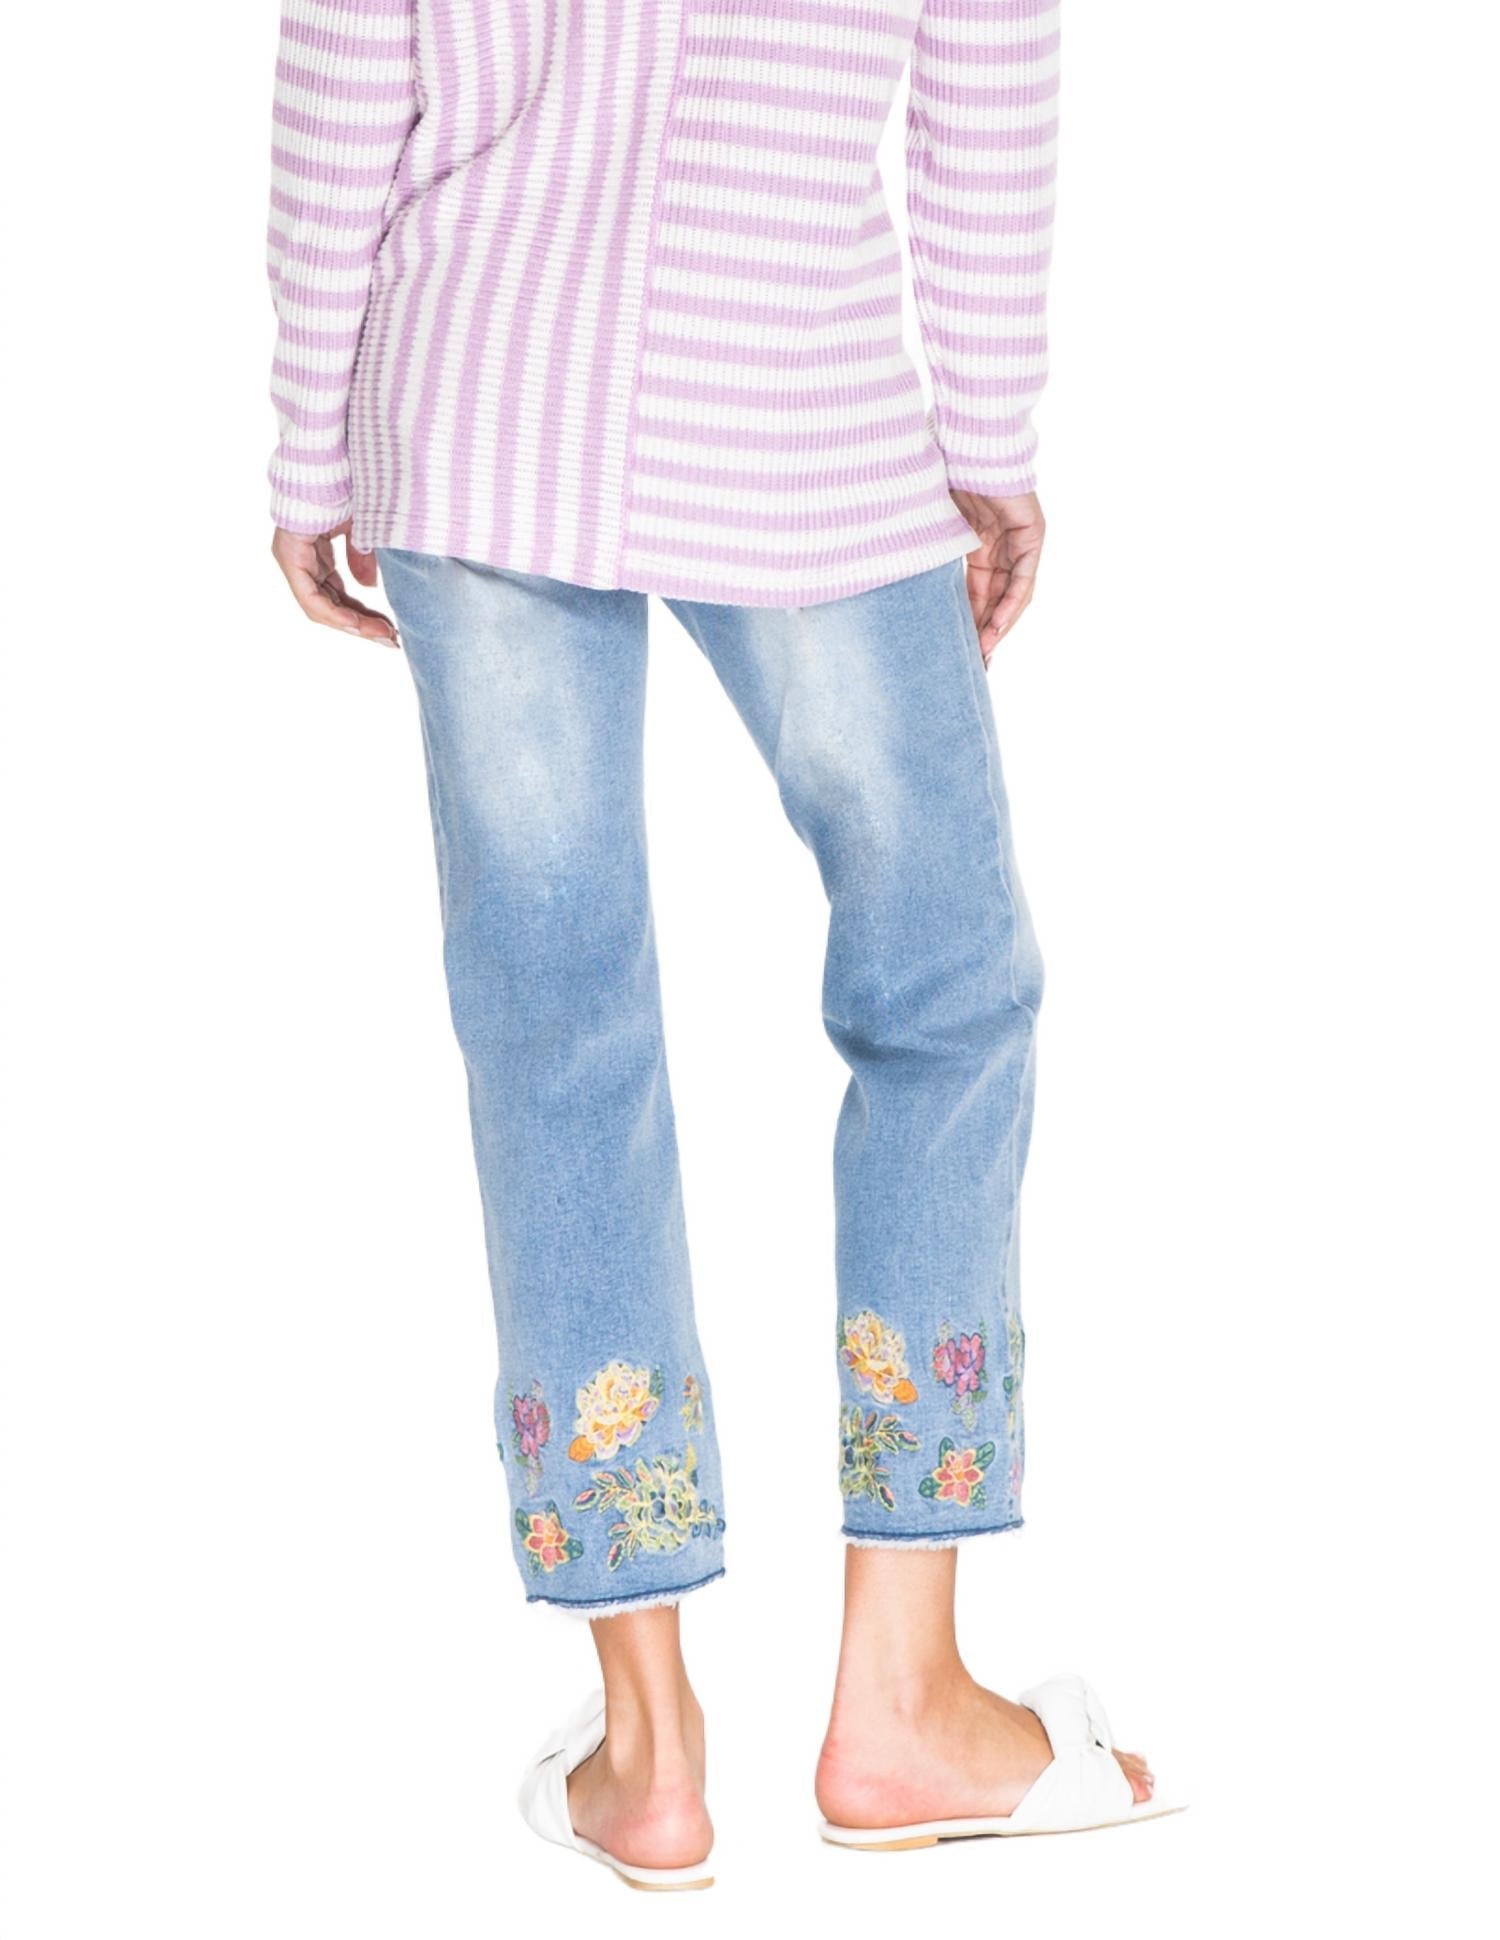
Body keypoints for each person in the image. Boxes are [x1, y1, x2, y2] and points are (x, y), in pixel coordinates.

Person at [268, 0, 1167, 1888]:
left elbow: (351, 51)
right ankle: (900, 1699)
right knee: (943, 991)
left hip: (481, 382)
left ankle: (652, 1749)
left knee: (555, 1031)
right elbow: (987, 65)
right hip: (792, 386)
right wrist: (987, 435)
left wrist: (308, 437)